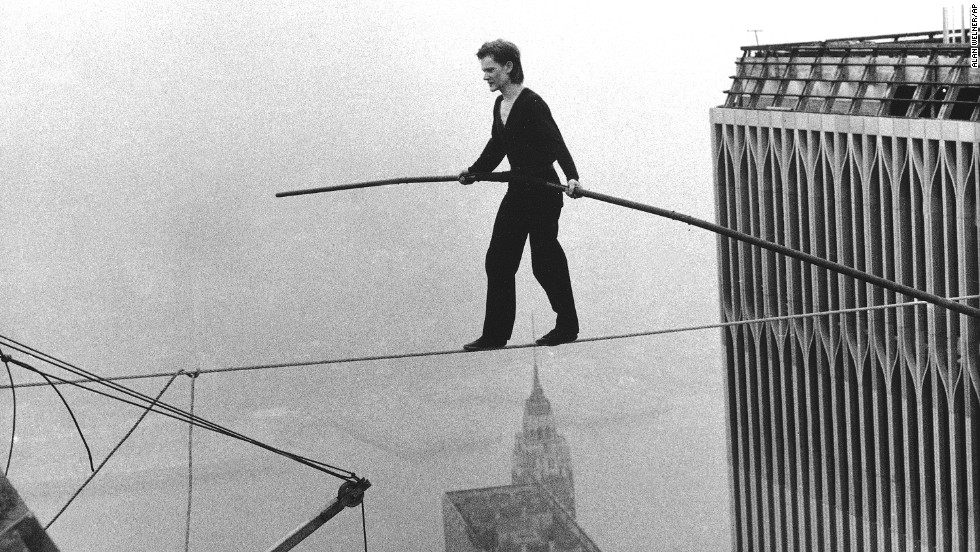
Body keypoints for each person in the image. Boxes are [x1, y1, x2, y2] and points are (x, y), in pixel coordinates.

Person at [459, 39, 581, 351]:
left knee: (544, 261)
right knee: (498, 261)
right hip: (518, 191)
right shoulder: (500, 105)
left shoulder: (532, 103)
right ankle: (495, 335)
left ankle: (567, 325)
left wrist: (572, 177)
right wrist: (474, 171)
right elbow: (497, 146)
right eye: (484, 70)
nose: (485, 76)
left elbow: (555, 142)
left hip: (542, 190)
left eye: (490, 69)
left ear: (509, 67)